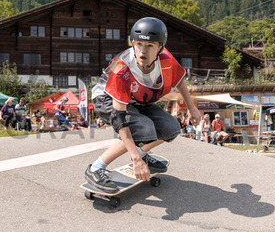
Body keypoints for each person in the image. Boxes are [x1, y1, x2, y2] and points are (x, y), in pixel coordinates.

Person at [84, 17, 200, 193]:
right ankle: (96, 168)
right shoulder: (122, 68)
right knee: (143, 129)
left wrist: (192, 108)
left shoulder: (166, 60)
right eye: (139, 44)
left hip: (137, 100)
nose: (143, 51)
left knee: (171, 127)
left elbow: (179, 80)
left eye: (150, 45)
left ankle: (143, 154)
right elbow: (120, 119)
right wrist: (135, 159)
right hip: (107, 99)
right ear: (133, 43)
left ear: (160, 47)